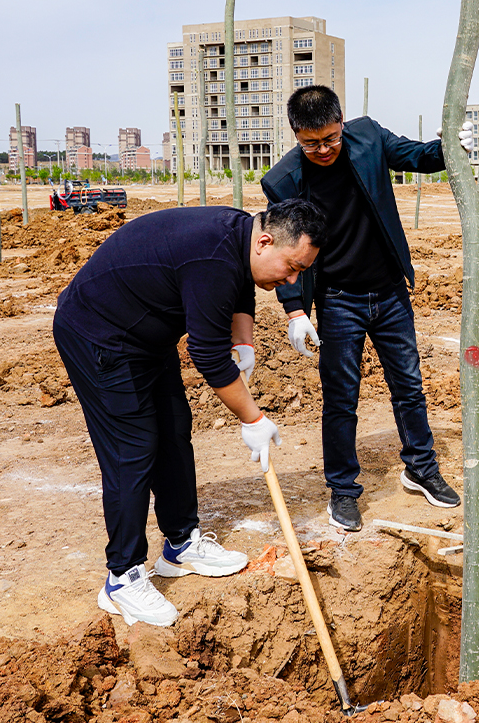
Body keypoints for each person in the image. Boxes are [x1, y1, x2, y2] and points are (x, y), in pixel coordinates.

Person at [53, 199, 327, 627]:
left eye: (300, 273)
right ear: (266, 241)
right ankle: (122, 579)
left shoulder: (241, 235)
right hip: (99, 336)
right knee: (134, 449)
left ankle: (180, 546)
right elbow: (204, 353)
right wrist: (253, 419)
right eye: (291, 267)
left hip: (146, 339)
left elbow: (242, 291)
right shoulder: (213, 254)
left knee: (175, 431)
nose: (292, 279)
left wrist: (245, 343)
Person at [261, 86, 475, 533]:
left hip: (390, 292)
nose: (323, 149)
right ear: (295, 135)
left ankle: (421, 468)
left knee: (409, 387)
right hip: (338, 299)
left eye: (331, 138)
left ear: (342, 123)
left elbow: (420, 157)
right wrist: (294, 311)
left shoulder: (369, 137)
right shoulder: (283, 180)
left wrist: (453, 146)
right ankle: (343, 490)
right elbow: (281, 250)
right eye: (311, 143)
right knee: (341, 399)